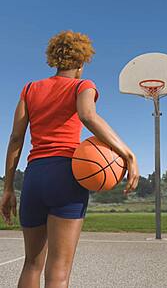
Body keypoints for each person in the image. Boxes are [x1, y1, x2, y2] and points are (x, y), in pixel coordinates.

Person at [0, 30, 139, 288]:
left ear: (55, 58)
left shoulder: (29, 89)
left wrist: (8, 188)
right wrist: (127, 153)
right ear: (81, 62)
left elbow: (15, 139)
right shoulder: (83, 85)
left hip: (34, 177)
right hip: (66, 175)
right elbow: (87, 115)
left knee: (31, 264)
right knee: (59, 271)